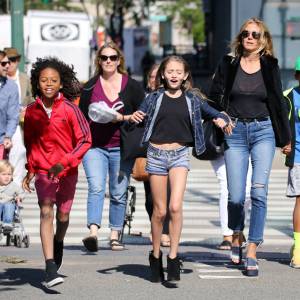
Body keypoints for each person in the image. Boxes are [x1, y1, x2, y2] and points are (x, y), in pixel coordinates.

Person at [131, 55, 230, 282]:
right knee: (160, 211)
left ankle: (173, 256)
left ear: (185, 76)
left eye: (179, 71)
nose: (174, 75)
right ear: (163, 75)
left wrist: (222, 119)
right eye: (170, 71)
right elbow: (136, 118)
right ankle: (155, 255)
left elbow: (215, 112)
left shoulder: (192, 100)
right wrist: (134, 117)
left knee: (175, 207)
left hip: (179, 156)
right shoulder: (153, 98)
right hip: (155, 155)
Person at [210, 17, 291, 276]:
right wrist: (220, 118)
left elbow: (278, 100)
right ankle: (236, 233)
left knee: (259, 191)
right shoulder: (228, 63)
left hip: (263, 131)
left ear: (263, 39)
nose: (250, 37)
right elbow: (214, 97)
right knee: (236, 196)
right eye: (246, 33)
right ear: (240, 37)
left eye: (256, 34)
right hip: (234, 132)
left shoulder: (270, 65)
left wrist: (285, 137)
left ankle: (253, 248)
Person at [22, 57, 91, 288]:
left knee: (62, 217)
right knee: (45, 211)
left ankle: (59, 240)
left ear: (61, 84)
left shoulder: (70, 109)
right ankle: (50, 266)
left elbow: (85, 140)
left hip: (67, 171)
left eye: (53, 80)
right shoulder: (31, 111)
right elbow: (30, 142)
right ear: (37, 83)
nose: (48, 84)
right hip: (44, 171)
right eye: (44, 80)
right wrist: (30, 168)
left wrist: (66, 162)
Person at [79, 42, 145, 252]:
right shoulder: (89, 87)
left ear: (119, 61)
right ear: (99, 61)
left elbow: (144, 112)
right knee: (96, 188)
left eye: (113, 58)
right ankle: (93, 233)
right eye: (104, 57)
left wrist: (131, 118)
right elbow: (81, 118)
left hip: (121, 147)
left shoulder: (132, 86)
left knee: (118, 192)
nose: (108, 61)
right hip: (94, 147)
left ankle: (115, 235)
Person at [144, 63, 171, 247]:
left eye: (158, 76)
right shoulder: (146, 98)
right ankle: (157, 225)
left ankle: (166, 231)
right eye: (152, 77)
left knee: (169, 196)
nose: (155, 80)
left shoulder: (172, 96)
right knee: (150, 198)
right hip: (148, 152)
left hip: (172, 153)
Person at [4, 47, 33, 186]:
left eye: (13, 60)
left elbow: (31, 99)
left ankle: (16, 188)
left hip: (19, 124)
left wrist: (27, 110)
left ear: (18, 61)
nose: (9, 64)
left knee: (20, 152)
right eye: (6, 61)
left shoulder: (24, 79)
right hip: (4, 123)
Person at [211, 156, 252, 250]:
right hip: (221, 146)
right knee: (226, 186)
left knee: (248, 189)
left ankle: (238, 230)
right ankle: (228, 235)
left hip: (247, 144)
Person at [283, 56, 300, 268]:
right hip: (298, 157)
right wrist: (284, 141)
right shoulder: (288, 96)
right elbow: (280, 123)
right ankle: (298, 247)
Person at [0, 51, 19, 160]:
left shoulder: (12, 87)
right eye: (3, 63)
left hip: (1, 141)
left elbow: (12, 116)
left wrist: (8, 136)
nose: (8, 66)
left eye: (8, 63)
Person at [0, 160, 24, 232]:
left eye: (9, 174)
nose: (7, 177)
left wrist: (19, 197)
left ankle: (7, 223)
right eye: (4, 174)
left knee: (9, 205)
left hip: (9, 207)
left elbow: (21, 192)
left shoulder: (13, 185)